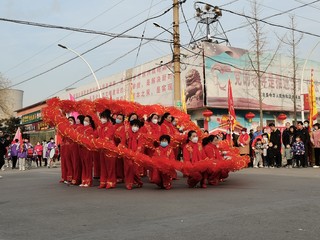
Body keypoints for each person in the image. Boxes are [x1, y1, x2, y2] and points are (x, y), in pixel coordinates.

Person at [120, 119, 144, 190]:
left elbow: (140, 145)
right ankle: (128, 183)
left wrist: (136, 152)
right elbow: (123, 143)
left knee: (135, 169)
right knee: (128, 167)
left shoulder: (140, 135)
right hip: (127, 153)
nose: (135, 127)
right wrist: (124, 149)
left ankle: (138, 181)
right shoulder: (126, 133)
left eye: (137, 126)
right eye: (134, 125)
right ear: (131, 126)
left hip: (136, 154)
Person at [97, 109, 117, 189]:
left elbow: (108, 137)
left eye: (104, 117)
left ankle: (111, 182)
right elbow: (97, 135)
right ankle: (103, 181)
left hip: (109, 148)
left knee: (110, 166)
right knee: (103, 166)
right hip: (102, 148)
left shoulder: (110, 126)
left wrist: (101, 141)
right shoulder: (100, 127)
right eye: (101, 117)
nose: (102, 119)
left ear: (108, 118)